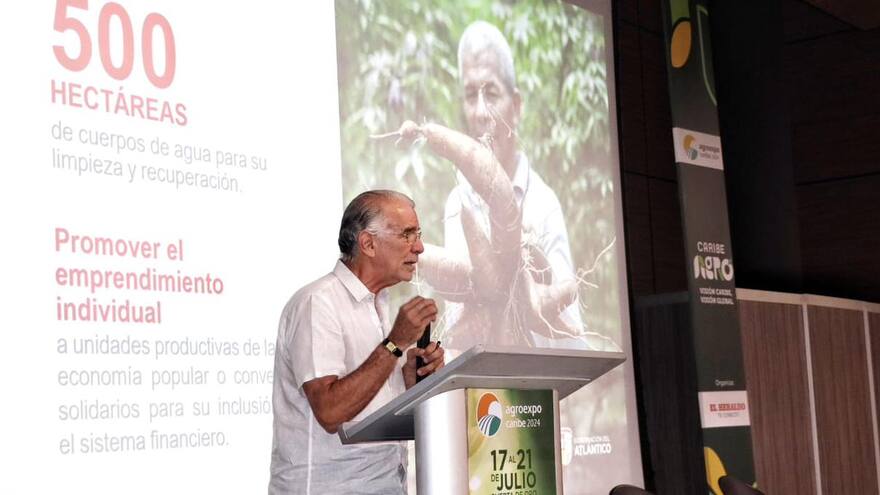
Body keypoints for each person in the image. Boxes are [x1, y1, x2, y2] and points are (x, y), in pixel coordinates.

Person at [269, 190, 444, 494]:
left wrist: (409, 380)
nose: (419, 247)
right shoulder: (317, 303)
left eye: (418, 234)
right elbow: (330, 411)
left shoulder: (378, 304)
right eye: (407, 234)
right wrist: (394, 344)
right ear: (368, 243)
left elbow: (370, 399)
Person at [443, 20, 586, 349]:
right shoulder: (458, 202)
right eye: (469, 96)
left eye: (491, 93)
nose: (480, 112)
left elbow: (572, 337)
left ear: (516, 105)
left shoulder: (543, 203)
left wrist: (534, 288)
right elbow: (458, 329)